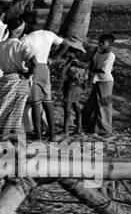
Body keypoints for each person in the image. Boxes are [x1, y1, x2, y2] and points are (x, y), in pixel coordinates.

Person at [18, 11, 64, 140]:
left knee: (35, 103)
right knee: (47, 102)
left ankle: (38, 135)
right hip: (45, 68)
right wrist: (53, 58)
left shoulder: (25, 39)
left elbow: (27, 59)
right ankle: (53, 134)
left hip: (33, 70)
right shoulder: (48, 34)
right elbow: (65, 45)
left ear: (25, 24)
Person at [0, 33, 34, 142]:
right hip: (19, 80)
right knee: (15, 114)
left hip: (5, 79)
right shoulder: (21, 46)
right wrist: (28, 74)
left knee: (3, 109)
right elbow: (34, 61)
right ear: (20, 29)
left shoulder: (1, 44)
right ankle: (9, 145)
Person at [87, 34, 115, 136]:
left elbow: (104, 70)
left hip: (105, 81)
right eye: (100, 42)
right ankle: (93, 126)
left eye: (103, 43)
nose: (100, 44)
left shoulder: (110, 55)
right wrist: (93, 55)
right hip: (98, 80)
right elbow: (92, 65)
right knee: (93, 103)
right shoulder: (98, 53)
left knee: (105, 104)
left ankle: (106, 129)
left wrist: (91, 71)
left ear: (110, 44)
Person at [59, 41, 89, 140]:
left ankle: (65, 130)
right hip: (78, 88)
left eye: (68, 51)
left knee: (67, 108)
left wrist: (66, 65)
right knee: (76, 107)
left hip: (70, 88)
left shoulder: (71, 64)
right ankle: (79, 129)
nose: (66, 53)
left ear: (72, 53)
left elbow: (63, 76)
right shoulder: (81, 65)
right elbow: (84, 79)